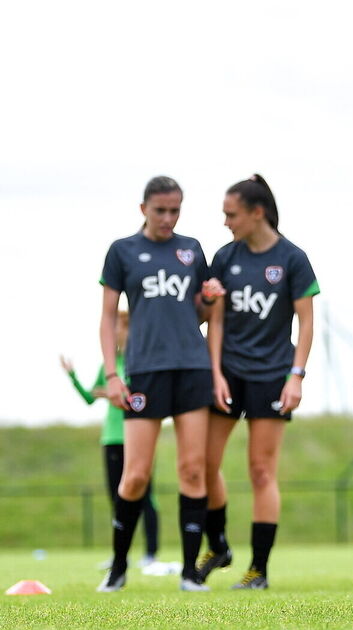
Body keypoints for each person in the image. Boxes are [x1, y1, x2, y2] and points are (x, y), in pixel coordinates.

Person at [198, 175, 319, 590]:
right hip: (228, 374)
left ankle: (258, 570)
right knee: (204, 463)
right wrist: (215, 373)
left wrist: (296, 377)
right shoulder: (224, 257)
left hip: (272, 377)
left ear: (256, 213)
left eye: (231, 215)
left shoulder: (292, 258)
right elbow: (215, 321)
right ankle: (218, 546)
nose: (226, 222)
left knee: (261, 471)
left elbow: (306, 323)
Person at [97, 176, 213, 592]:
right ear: (143, 208)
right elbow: (107, 318)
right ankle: (118, 567)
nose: (168, 218)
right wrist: (112, 375)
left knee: (192, 470)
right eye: (160, 210)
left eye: (175, 210)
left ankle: (189, 572)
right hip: (144, 372)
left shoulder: (192, 249)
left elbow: (198, 313)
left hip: (192, 368)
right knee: (135, 475)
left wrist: (209, 299)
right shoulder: (122, 251)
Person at [61, 310, 160, 569]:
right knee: (117, 498)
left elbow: (142, 398)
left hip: (139, 436)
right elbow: (89, 397)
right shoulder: (108, 366)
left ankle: (151, 554)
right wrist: (73, 377)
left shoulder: (142, 361)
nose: (114, 332)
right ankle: (120, 554)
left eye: (119, 327)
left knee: (146, 497)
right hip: (112, 438)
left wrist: (112, 394)